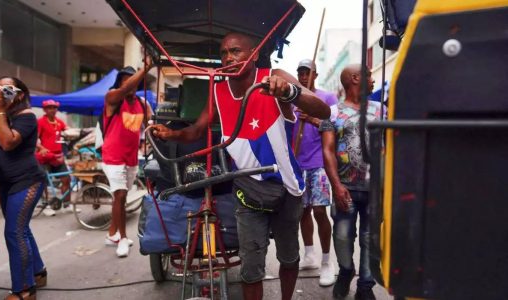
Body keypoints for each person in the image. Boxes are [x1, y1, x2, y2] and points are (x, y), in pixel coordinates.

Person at [151, 32, 331, 300]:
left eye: (236, 51)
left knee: (289, 258)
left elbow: (323, 111)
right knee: (250, 268)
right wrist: (172, 134)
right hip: (247, 188)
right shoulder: (218, 90)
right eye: (224, 53)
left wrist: (289, 92)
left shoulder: (273, 77)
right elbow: (198, 130)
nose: (228, 58)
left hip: (287, 187)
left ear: (254, 54)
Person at [319, 64, 380, 300]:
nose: (372, 80)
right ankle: (346, 271)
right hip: (345, 188)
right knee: (343, 235)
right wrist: (336, 185)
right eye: (368, 75)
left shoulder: (381, 110)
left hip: (375, 189)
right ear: (355, 78)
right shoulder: (332, 113)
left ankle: (365, 286)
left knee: (369, 238)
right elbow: (328, 151)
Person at [0, 76, 47, 300]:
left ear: (20, 94)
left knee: (14, 232)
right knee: (22, 229)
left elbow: (8, 142)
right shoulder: (5, 117)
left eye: (8, 88)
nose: (1, 92)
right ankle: (38, 272)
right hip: (7, 183)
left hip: (27, 180)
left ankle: (24, 289)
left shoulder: (27, 116)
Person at [294, 59, 338, 287]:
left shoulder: (327, 97)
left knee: (320, 211)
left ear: (316, 74)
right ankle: (309, 254)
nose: (303, 77)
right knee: (302, 211)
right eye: (300, 73)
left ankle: (326, 261)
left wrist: (311, 118)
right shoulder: (292, 98)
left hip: (319, 162)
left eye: (307, 73)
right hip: (297, 163)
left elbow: (336, 126)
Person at [103, 59, 153, 258]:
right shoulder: (113, 98)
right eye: (126, 81)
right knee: (121, 196)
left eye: (133, 80)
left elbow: (149, 126)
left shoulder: (142, 104)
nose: (129, 84)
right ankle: (122, 238)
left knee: (121, 198)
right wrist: (146, 68)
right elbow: (125, 89)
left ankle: (111, 234)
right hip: (112, 155)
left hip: (132, 156)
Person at [35, 99, 73, 216]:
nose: (52, 110)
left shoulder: (59, 122)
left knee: (66, 179)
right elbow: (34, 139)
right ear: (44, 110)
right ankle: (45, 205)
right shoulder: (40, 122)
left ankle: (66, 204)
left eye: (54, 107)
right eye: (49, 107)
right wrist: (41, 148)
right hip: (45, 156)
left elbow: (68, 133)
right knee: (43, 182)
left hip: (58, 156)